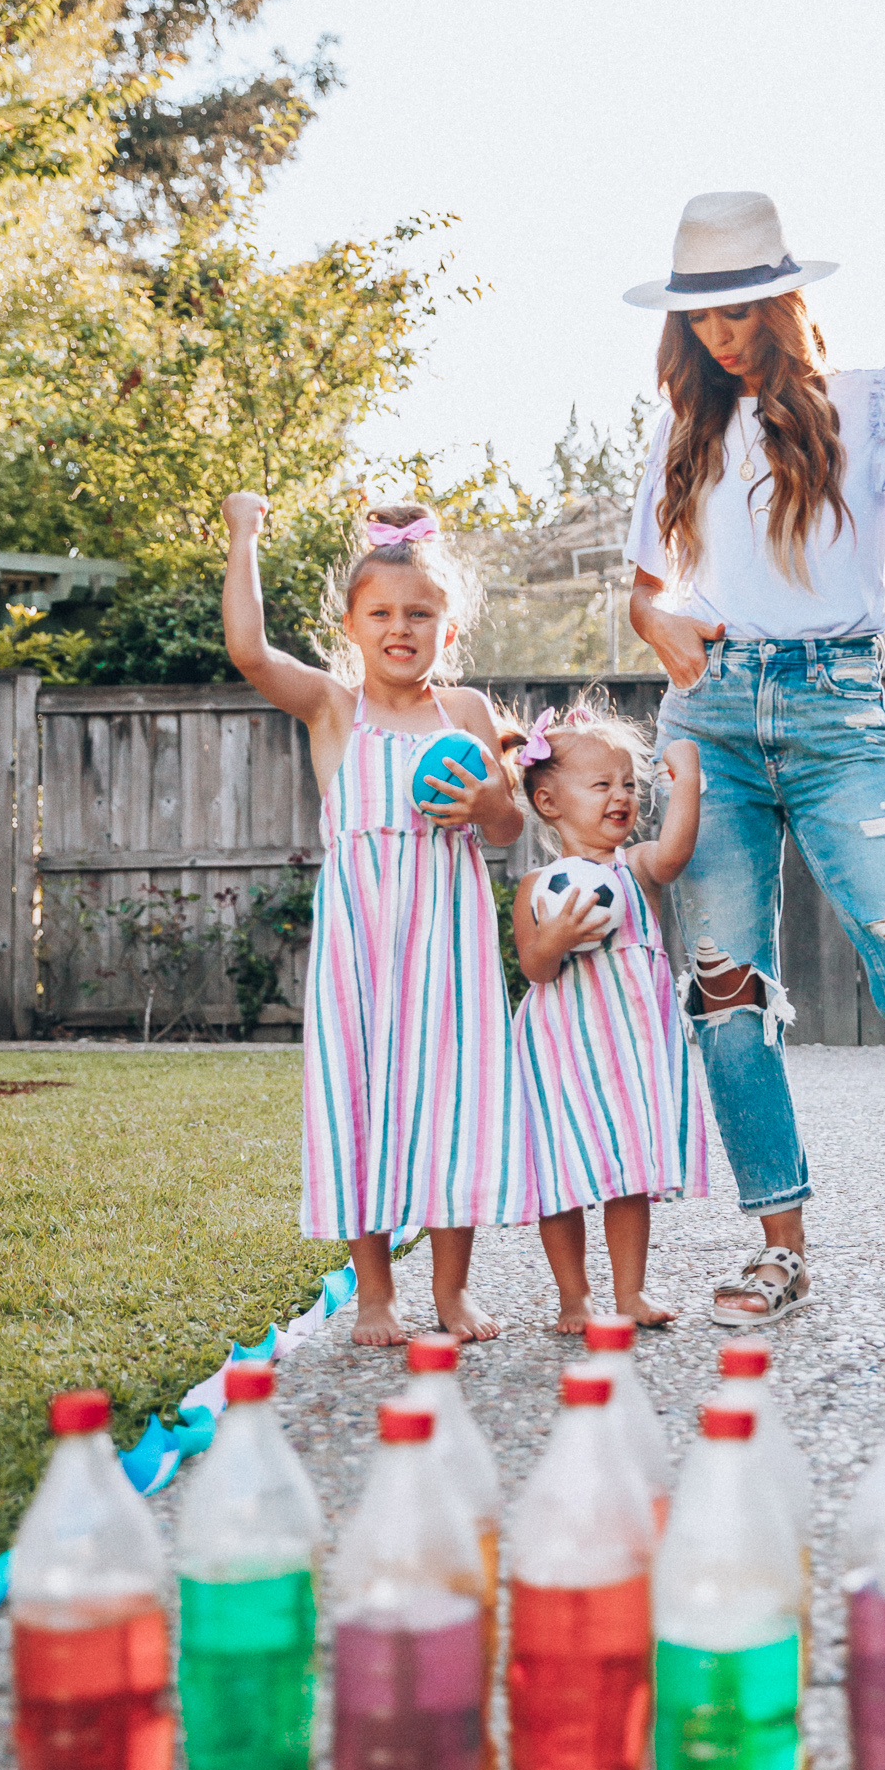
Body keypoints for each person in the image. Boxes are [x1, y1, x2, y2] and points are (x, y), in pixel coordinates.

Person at [622, 190, 885, 1350]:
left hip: (838, 711)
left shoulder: (871, 403)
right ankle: (779, 1249)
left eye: (737, 303)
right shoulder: (676, 434)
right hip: (708, 724)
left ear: (779, 295)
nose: (717, 329)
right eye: (697, 310)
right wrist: (655, 625)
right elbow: (648, 589)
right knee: (725, 991)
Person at [221, 493, 533, 1346]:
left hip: (450, 941)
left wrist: (483, 803)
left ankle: (453, 1291)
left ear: (450, 630)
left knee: (453, 1101)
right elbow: (248, 651)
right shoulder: (333, 708)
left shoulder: (464, 713)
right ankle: (375, 1296)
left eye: (421, 613)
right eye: (383, 613)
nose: (402, 627)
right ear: (353, 626)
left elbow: (507, 829)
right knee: (358, 1099)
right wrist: (243, 534)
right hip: (362, 944)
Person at [510, 697, 709, 1333]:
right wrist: (556, 937)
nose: (620, 796)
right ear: (550, 803)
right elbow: (534, 969)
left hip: (629, 1051)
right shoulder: (538, 886)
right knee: (560, 1174)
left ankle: (630, 1294)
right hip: (561, 1050)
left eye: (628, 784)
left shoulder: (637, 868)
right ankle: (574, 1297)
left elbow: (675, 853)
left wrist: (688, 782)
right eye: (601, 784)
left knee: (629, 1175)